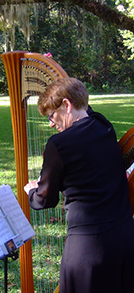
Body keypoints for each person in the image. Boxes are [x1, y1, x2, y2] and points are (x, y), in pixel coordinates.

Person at [24, 77, 134, 293]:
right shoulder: (103, 125)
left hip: (89, 252)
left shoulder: (58, 145)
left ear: (66, 105)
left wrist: (31, 192)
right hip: (126, 241)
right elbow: (86, 110)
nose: (51, 123)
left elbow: (45, 200)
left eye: (51, 116)